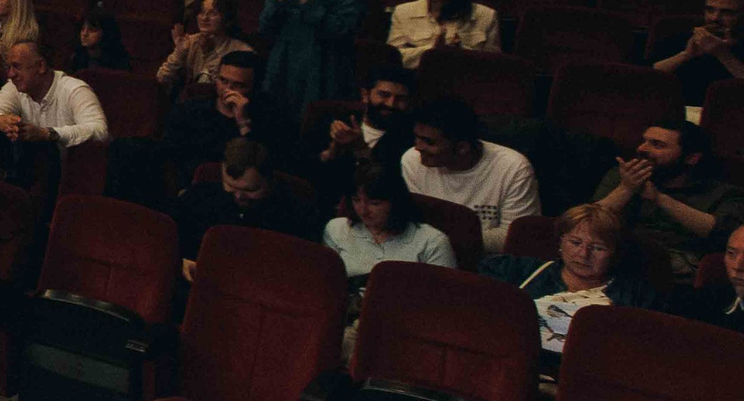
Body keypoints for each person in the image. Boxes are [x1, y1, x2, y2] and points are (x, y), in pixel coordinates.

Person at [477, 203, 658, 356]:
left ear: (615, 253)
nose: (583, 254)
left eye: (598, 248)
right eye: (576, 243)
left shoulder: (636, 295)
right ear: (561, 242)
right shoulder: (516, 270)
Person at [591, 119, 744, 282]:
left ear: (691, 158)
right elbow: (585, 222)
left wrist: (659, 198)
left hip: (677, 274)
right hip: (613, 261)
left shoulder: (722, 193)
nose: (642, 149)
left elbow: (722, 233)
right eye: (644, 141)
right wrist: (626, 189)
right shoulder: (622, 176)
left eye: (657, 145)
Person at [258, 0, 363, 123]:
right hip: (284, 69)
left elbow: (341, 31)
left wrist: (307, 2)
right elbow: (265, 28)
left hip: (323, 72)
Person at [401, 97, 540, 241]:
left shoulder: (513, 167)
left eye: (429, 142)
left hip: (490, 260)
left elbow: (518, 238)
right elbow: (413, 224)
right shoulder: (412, 160)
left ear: (462, 148)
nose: (418, 147)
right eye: (417, 137)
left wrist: (446, 240)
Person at [0, 38, 108, 186]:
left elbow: (99, 130)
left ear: (40, 66)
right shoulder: (15, 87)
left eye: (16, 67)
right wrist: (2, 121)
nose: (10, 74)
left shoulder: (75, 90)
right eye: (9, 67)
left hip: (78, 177)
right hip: (38, 176)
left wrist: (47, 133)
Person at [173, 139, 322, 268]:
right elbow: (170, 242)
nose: (239, 196)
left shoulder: (297, 214)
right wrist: (180, 261)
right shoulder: (198, 197)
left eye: (250, 190)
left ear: (270, 181)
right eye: (231, 187)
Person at [324, 164, 459, 283]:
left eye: (374, 203)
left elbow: (444, 297)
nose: (363, 210)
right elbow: (329, 284)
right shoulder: (337, 229)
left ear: (395, 203)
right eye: (356, 200)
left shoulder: (431, 241)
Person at [385, 0, 500, 67]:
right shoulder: (403, 11)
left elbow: (492, 62)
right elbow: (392, 56)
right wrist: (431, 50)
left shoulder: (486, 15)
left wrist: (460, 52)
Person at [655, 0, 744, 105]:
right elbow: (648, 78)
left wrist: (722, 54)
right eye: (710, 10)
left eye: (727, 13)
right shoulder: (683, 37)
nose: (714, 18)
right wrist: (685, 55)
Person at [158, 0, 250, 95]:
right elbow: (162, 78)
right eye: (201, 12)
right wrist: (180, 53)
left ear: (227, 19)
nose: (204, 18)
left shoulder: (242, 50)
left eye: (212, 14)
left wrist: (210, 54)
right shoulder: (190, 42)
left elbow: (227, 89)